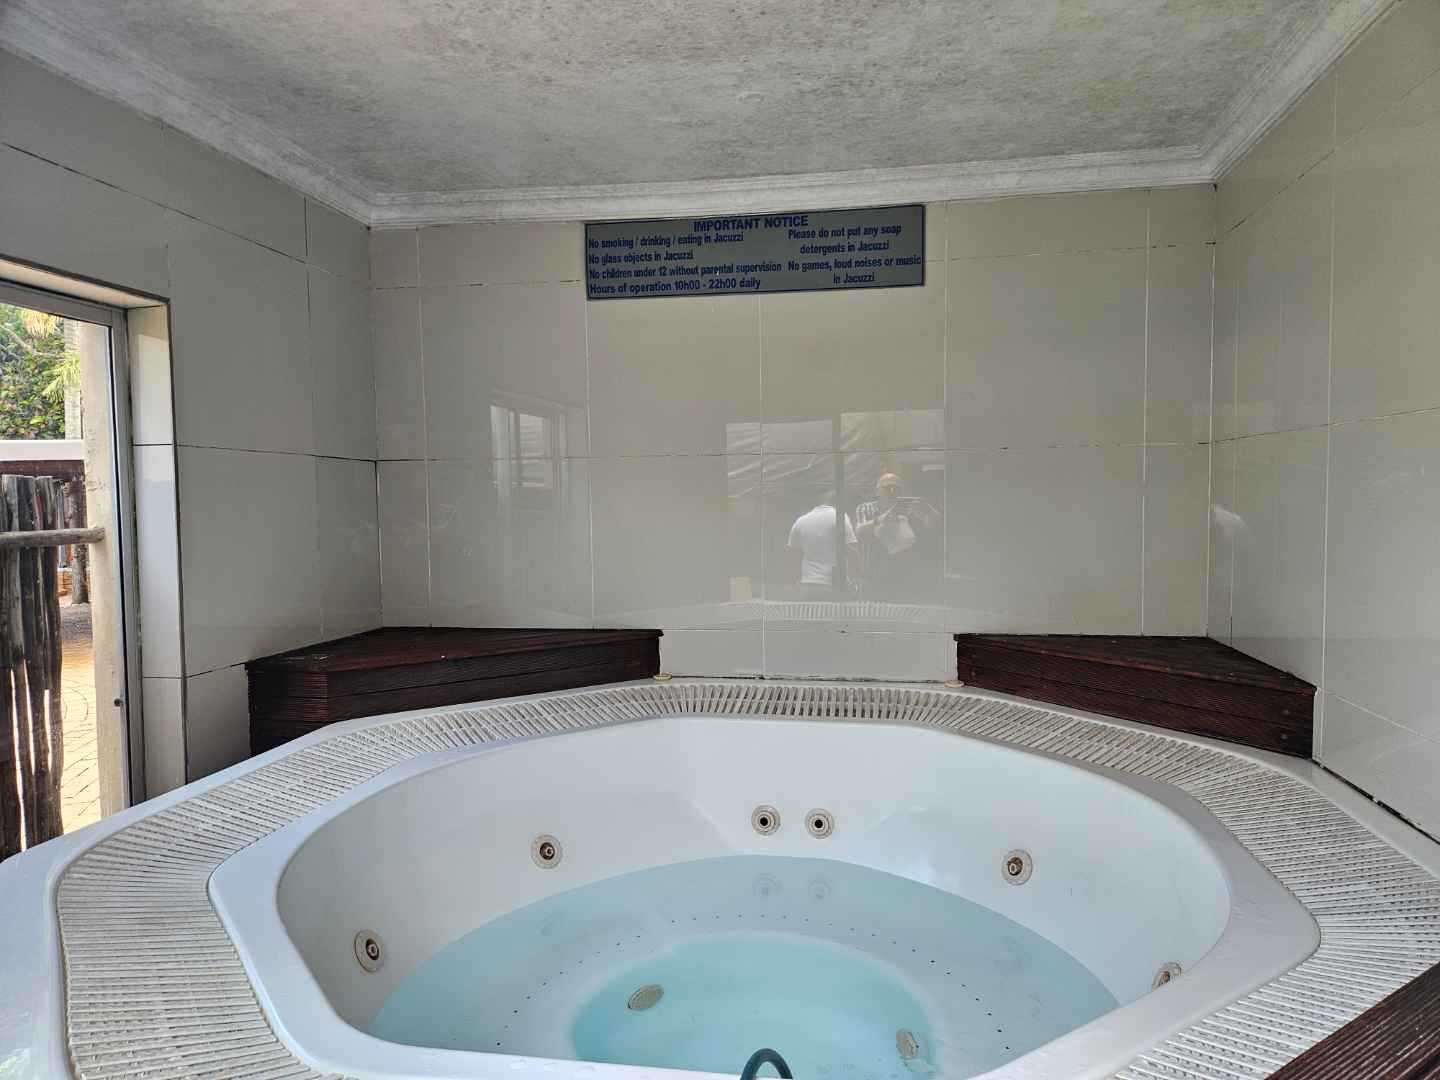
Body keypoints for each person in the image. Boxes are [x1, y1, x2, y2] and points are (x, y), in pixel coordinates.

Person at [855, 472, 938, 599]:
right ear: (877, 491)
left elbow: (933, 528)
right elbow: (860, 531)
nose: (892, 492)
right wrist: (882, 519)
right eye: (887, 488)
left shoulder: (909, 510)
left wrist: (928, 510)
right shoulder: (866, 508)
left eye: (896, 488)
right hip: (872, 575)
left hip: (902, 577)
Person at [787, 496, 859, 598]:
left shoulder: (800, 521)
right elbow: (852, 551)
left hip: (807, 584)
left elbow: (792, 556)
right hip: (834, 584)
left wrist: (793, 582)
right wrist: (856, 578)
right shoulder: (840, 517)